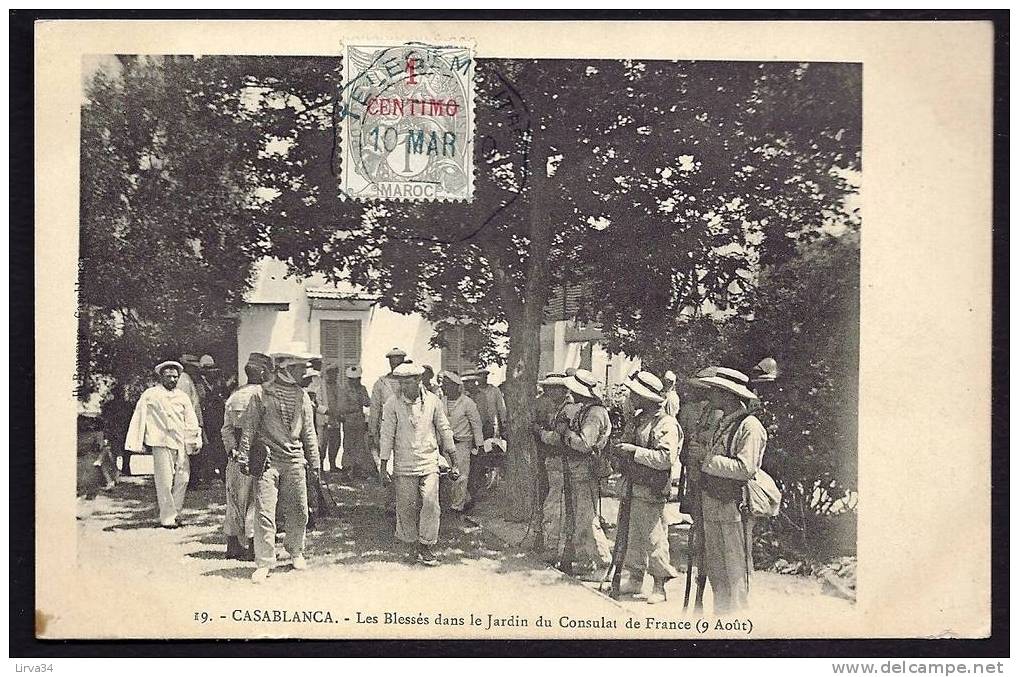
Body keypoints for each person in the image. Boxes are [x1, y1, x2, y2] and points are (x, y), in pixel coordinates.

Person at [237, 346, 321, 583]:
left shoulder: (302, 396)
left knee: (299, 509)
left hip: (294, 460)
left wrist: (314, 463)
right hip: (268, 461)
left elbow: (309, 432)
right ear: (287, 368)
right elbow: (249, 429)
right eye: (301, 368)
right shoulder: (261, 394)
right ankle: (264, 562)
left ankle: (295, 550)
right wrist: (244, 457)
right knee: (265, 512)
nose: (305, 372)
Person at [690, 367, 767, 613]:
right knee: (716, 568)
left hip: (735, 505)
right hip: (713, 501)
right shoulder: (722, 423)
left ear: (729, 395)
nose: (711, 396)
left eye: (716, 391)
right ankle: (721, 619)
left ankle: (737, 623)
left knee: (736, 569)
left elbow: (746, 468)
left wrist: (706, 459)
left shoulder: (749, 426)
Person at [611, 371, 683, 603]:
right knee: (632, 537)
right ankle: (635, 578)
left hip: (650, 489)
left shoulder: (666, 423)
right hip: (632, 486)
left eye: (634, 393)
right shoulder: (639, 419)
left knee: (654, 538)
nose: (631, 397)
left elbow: (665, 458)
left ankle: (660, 584)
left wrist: (635, 452)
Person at [378, 362, 456, 566]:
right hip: (404, 463)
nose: (404, 386)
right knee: (406, 506)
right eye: (401, 382)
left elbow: (444, 428)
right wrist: (383, 464)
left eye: (408, 381)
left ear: (419, 380)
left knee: (431, 504)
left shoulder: (433, 401)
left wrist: (453, 459)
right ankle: (410, 544)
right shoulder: (391, 404)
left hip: (429, 461)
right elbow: (386, 435)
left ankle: (426, 545)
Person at [540, 369, 613, 579]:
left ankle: (602, 564)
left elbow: (584, 444)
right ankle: (587, 561)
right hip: (576, 470)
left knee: (587, 520)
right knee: (578, 518)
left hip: (586, 469)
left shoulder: (595, 413)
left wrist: (566, 433)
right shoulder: (584, 410)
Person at [124, 360, 202, 528]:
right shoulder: (150, 394)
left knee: (183, 478)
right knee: (165, 481)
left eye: (175, 377)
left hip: (180, 442)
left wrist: (194, 440)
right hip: (160, 441)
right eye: (168, 377)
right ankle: (167, 518)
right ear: (161, 377)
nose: (172, 380)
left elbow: (191, 419)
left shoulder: (182, 396)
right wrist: (136, 442)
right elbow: (139, 416)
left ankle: (176, 512)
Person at [220, 352, 272, 560]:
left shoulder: (235, 395)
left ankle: (232, 546)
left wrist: (232, 449)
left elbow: (226, 429)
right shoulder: (264, 395)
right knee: (256, 500)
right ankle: (252, 546)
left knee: (234, 499)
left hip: (236, 455)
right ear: (262, 372)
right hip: (259, 452)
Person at [533, 372, 572, 559]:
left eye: (552, 388)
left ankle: (554, 548)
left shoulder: (567, 409)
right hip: (552, 460)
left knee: (554, 506)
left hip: (560, 460)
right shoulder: (557, 407)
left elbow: (556, 438)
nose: (547, 391)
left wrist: (540, 432)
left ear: (563, 390)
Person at [439, 371, 484, 513]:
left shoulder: (467, 403)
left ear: (456, 386)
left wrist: (480, 445)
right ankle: (465, 499)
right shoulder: (441, 402)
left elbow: (476, 424)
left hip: (462, 444)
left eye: (448, 385)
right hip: (447, 445)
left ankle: (457, 506)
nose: (445, 388)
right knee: (449, 476)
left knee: (460, 476)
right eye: (443, 385)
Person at [368, 347, 408, 463]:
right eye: (393, 362)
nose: (395, 365)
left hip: (406, 428)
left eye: (398, 362)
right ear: (389, 362)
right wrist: (372, 431)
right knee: (386, 459)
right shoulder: (381, 383)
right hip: (385, 427)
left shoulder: (410, 381)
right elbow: (375, 409)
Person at [336, 365, 373, 477]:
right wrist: (354, 407)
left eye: (357, 379)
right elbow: (341, 407)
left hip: (360, 420)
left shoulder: (362, 389)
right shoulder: (344, 390)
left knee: (360, 444)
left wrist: (361, 397)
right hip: (349, 419)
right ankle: (347, 468)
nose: (355, 382)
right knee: (348, 445)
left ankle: (358, 468)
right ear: (349, 379)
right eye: (353, 380)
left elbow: (367, 402)